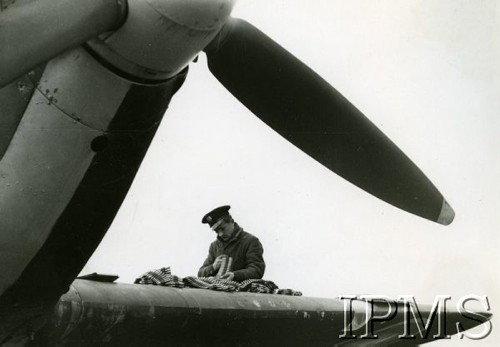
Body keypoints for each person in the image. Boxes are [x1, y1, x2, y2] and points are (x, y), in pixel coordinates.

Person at [198, 205, 265, 282]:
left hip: (240, 292)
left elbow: (257, 270)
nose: (220, 234)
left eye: (222, 229)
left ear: (231, 222)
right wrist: (213, 267)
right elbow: (200, 273)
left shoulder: (251, 241)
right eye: (217, 231)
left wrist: (235, 275)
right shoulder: (214, 246)